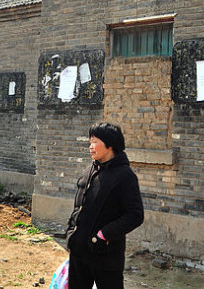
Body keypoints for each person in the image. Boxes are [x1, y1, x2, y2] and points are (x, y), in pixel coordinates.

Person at [65, 122, 144, 289]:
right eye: (90, 142)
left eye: (95, 142)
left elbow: (135, 215)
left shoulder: (125, 176)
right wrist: (71, 233)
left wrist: (103, 236)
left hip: (105, 255)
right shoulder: (91, 169)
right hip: (79, 251)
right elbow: (79, 206)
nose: (90, 146)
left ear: (110, 145)